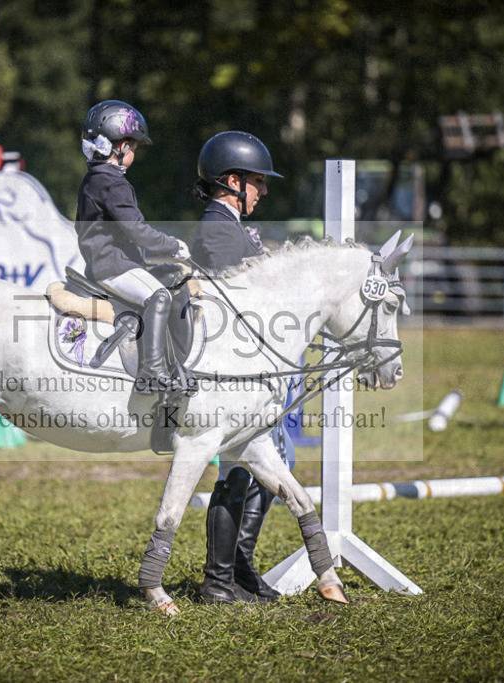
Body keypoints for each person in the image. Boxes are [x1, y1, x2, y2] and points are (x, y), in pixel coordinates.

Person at [191, 131, 293, 604]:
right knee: (241, 472)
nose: (263, 191)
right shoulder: (217, 228)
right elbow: (247, 299)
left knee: (270, 465)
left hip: (252, 370)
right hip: (229, 375)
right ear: (232, 181)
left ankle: (238, 570)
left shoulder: (232, 226)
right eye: (258, 181)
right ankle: (225, 577)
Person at [75, 100, 190, 394]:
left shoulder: (93, 179)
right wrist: (174, 246)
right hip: (113, 266)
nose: (135, 153)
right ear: (122, 146)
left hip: (103, 262)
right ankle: (151, 372)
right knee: (159, 296)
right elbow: (137, 231)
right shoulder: (113, 182)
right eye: (135, 148)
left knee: (167, 279)